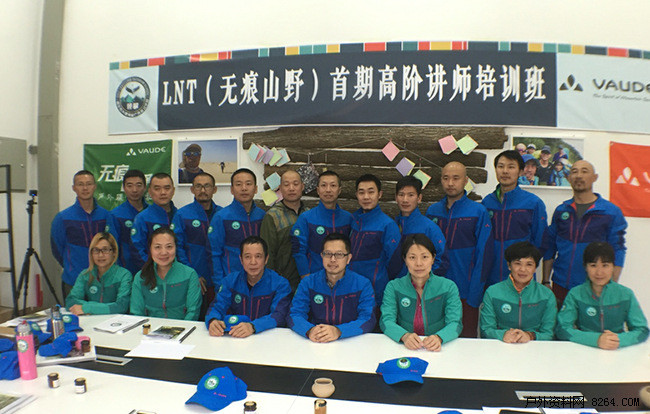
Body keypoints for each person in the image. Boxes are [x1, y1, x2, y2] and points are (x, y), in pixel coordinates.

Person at [542, 160, 627, 306]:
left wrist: (611, 286)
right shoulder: (561, 210)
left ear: (594, 177)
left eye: (584, 171)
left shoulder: (610, 212)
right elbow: (550, 247)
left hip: (593, 287)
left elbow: (618, 250)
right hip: (560, 286)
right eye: (574, 171)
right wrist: (545, 281)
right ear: (568, 178)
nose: (579, 176)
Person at [426, 162, 492, 338]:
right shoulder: (432, 211)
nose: (450, 183)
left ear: (466, 181)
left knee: (465, 340)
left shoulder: (478, 211)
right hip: (435, 289)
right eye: (445, 178)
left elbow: (484, 255)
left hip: (465, 290)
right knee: (433, 338)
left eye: (456, 178)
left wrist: (475, 293)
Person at [556, 242, 648, 349]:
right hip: (584, 349)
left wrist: (618, 340)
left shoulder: (626, 294)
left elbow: (642, 330)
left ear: (613, 266)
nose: (599, 272)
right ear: (585, 267)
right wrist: (596, 339)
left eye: (605, 265)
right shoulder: (575, 294)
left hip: (617, 350)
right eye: (593, 265)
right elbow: (562, 329)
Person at [380, 234, 462, 351]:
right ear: (405, 260)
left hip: (438, 348)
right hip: (404, 347)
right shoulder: (393, 287)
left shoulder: (448, 287)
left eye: (424, 257)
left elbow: (455, 323)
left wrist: (439, 337)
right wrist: (404, 336)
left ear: (433, 259)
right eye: (412, 257)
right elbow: (386, 320)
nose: (419, 263)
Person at [288, 233, 376, 342]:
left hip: (350, 341)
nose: (333, 259)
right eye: (328, 254)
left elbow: (368, 319)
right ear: (321, 256)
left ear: (348, 258)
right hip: (316, 341)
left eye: (339, 254)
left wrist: (339, 331)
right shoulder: (308, 283)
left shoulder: (363, 284)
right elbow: (295, 314)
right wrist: (309, 330)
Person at [482, 150, 548, 288]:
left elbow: (540, 242)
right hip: (490, 276)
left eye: (511, 167)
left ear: (521, 171)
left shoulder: (533, 203)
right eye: (500, 166)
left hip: (521, 277)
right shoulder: (487, 202)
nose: (505, 171)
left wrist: (525, 266)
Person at [206, 236, 291, 338]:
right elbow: (217, 306)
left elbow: (279, 315)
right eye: (247, 257)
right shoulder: (230, 281)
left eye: (258, 256)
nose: (253, 262)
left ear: (266, 259)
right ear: (241, 259)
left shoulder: (280, 284)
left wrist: (253, 326)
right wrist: (213, 320)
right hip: (237, 337)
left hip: (268, 338)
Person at [479, 242, 557, 342]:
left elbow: (549, 334)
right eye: (517, 263)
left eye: (529, 264)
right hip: (501, 344)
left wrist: (530, 336)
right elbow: (486, 330)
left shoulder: (546, 295)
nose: (523, 269)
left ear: (535, 268)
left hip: (534, 346)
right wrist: (503, 335)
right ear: (509, 265)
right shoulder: (492, 292)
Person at [51, 170, 110, 296]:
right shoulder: (62, 218)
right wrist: (71, 266)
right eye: (80, 184)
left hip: (102, 280)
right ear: (74, 188)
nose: (85, 188)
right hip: (73, 280)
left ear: (95, 186)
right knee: (73, 310)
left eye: (89, 184)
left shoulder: (106, 216)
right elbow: (57, 249)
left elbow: (113, 246)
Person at [173, 172, 222, 320]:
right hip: (193, 279)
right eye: (198, 186)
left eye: (207, 186)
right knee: (194, 319)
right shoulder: (182, 215)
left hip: (219, 278)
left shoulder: (222, 214)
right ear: (192, 189)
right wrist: (193, 274)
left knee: (218, 320)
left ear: (214, 189)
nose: (203, 190)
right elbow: (178, 248)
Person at [349, 174, 400, 306]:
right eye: (361, 192)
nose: (366, 197)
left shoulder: (387, 225)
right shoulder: (352, 220)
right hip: (350, 289)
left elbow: (395, 264)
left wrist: (380, 280)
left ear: (380, 194)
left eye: (371, 192)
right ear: (356, 195)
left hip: (375, 292)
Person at [209, 168, 265, 288]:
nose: (244, 188)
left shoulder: (263, 216)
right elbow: (214, 254)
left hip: (259, 281)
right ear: (232, 189)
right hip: (230, 282)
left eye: (248, 184)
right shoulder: (221, 217)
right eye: (238, 184)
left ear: (255, 189)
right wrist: (219, 284)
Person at [130, 227, 201, 320]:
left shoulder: (189, 274)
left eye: (169, 247)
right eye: (157, 247)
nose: (163, 252)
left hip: (182, 327)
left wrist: (181, 328)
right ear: (150, 249)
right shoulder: (141, 277)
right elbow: (137, 313)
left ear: (176, 248)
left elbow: (193, 312)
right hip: (149, 327)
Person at [291, 170, 353, 278]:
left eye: (333, 185)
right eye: (324, 185)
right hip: (314, 278)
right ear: (318, 190)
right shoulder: (306, 218)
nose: (328, 190)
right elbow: (298, 250)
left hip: (343, 278)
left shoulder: (348, 218)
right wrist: (305, 276)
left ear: (339, 190)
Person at [260, 170, 308, 293]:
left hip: (308, 280)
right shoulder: (272, 216)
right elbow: (268, 254)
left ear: (302, 187)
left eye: (295, 184)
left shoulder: (309, 214)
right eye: (286, 185)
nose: (291, 188)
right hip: (283, 284)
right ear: (280, 188)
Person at [391, 175, 446, 278]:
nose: (405, 200)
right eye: (401, 195)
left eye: (410, 195)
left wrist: (422, 280)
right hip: (396, 284)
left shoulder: (429, 228)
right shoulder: (392, 226)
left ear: (419, 198)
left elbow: (441, 259)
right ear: (396, 198)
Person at [65, 232, 132, 315]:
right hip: (90, 320)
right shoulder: (85, 275)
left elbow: (122, 306)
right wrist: (98, 308)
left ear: (114, 252)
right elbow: (70, 301)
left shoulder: (124, 275)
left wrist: (87, 308)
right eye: (96, 250)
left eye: (105, 250)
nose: (100, 255)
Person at [131, 172, 177, 269]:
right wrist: (154, 270)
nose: (163, 192)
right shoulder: (142, 218)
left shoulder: (180, 216)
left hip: (179, 272)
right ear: (150, 192)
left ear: (173, 191)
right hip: (151, 272)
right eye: (157, 189)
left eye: (167, 188)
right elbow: (137, 250)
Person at [107, 169, 147, 275]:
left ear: (145, 187)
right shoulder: (115, 215)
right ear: (124, 188)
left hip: (150, 269)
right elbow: (112, 247)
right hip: (125, 272)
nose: (134, 190)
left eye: (139, 185)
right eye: (129, 185)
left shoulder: (151, 213)